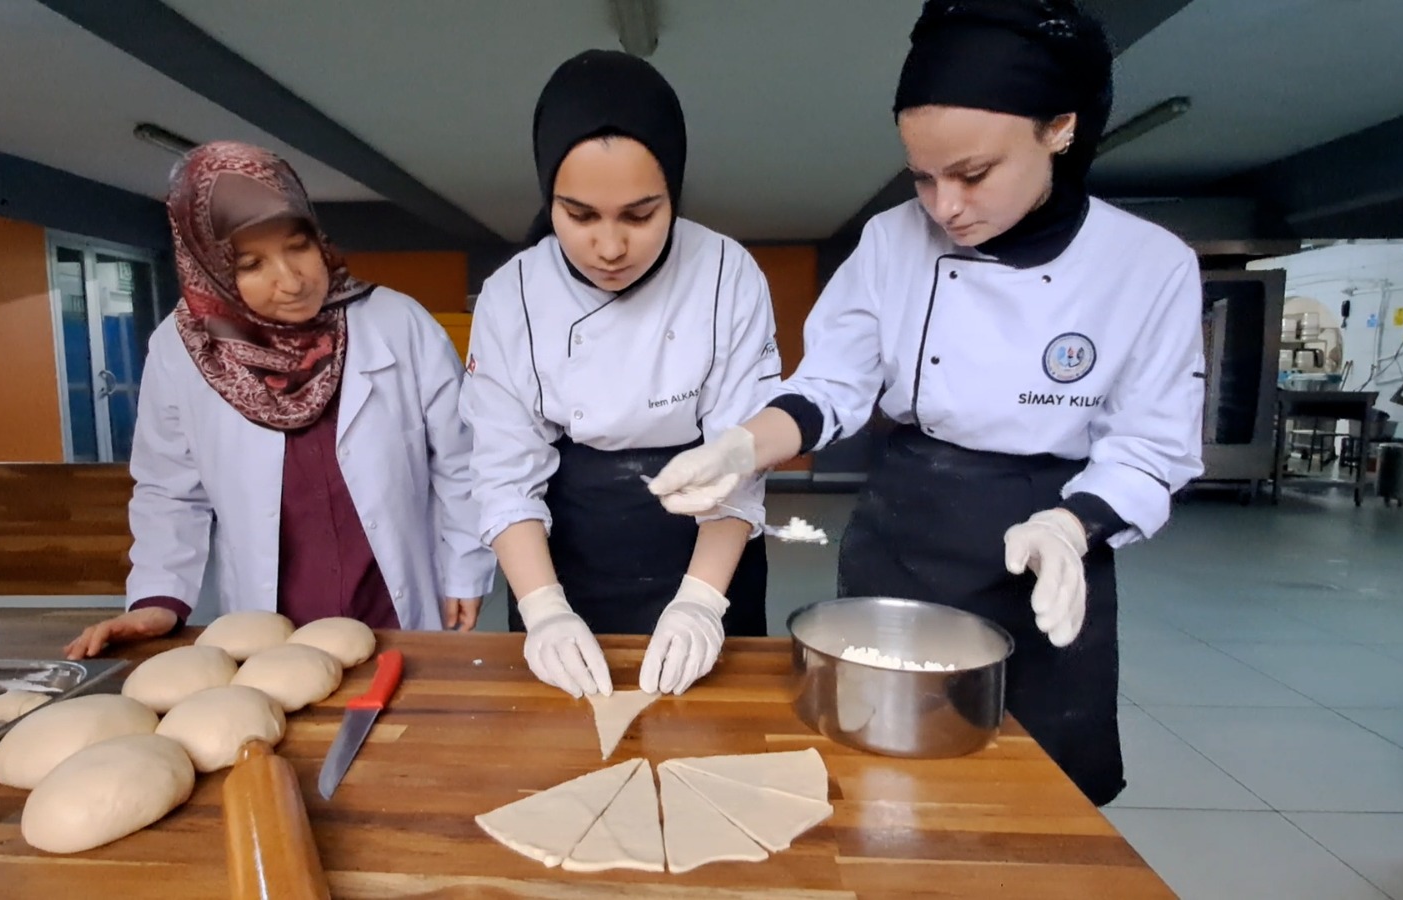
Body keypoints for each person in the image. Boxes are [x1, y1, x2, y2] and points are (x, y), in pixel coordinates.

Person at [648, 0, 1204, 807]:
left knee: (1031, 802)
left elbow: (1152, 447)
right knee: (876, 780)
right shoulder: (890, 243)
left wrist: (1070, 525)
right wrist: (742, 446)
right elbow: (829, 386)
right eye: (922, 176)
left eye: (973, 174)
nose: (943, 207)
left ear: (1060, 129)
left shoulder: (1146, 266)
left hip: (1047, 539)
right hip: (905, 532)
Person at [66, 141, 493, 660]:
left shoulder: (397, 323)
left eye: (298, 247)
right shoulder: (182, 352)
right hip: (269, 627)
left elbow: (460, 460)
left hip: (395, 611)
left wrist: (465, 568)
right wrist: (158, 599)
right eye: (251, 264)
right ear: (210, 268)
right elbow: (170, 492)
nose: (290, 281)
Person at [460, 50, 782, 698]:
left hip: (705, 544)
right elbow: (503, 472)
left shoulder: (726, 274)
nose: (610, 247)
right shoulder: (512, 295)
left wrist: (699, 602)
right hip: (565, 552)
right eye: (579, 215)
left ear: (676, 194)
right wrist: (545, 610)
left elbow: (740, 455)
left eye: (640, 215)